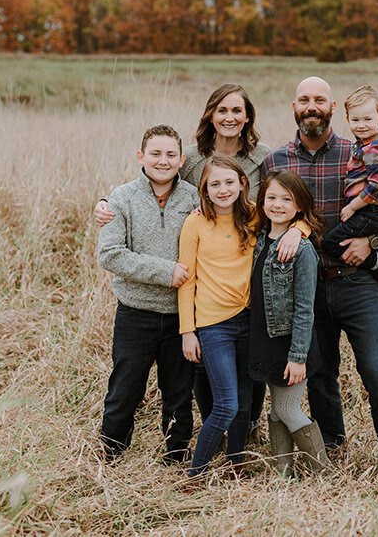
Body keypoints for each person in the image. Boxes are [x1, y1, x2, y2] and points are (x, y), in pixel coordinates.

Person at [94, 83, 271, 437]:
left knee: (195, 386)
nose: (164, 161)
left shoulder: (252, 163)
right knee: (139, 384)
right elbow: (114, 245)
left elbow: (273, 201)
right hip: (158, 304)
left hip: (212, 298)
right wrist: (105, 203)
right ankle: (114, 452)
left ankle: (210, 442)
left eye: (237, 110)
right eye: (222, 110)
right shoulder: (146, 185)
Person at [262, 76, 378, 461]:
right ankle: (333, 446)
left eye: (320, 100)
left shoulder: (356, 151)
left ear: (332, 108)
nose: (312, 106)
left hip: (355, 282)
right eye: (304, 99)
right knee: (321, 373)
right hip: (304, 289)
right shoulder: (276, 161)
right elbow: (257, 217)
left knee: (377, 372)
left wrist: (372, 243)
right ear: (294, 107)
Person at [177, 156, 306, 477]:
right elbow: (186, 278)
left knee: (245, 404)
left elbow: (294, 215)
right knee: (226, 405)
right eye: (215, 184)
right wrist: (187, 331)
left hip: (251, 323)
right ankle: (196, 474)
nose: (223, 189)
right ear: (204, 188)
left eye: (229, 182)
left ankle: (236, 463)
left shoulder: (252, 215)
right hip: (212, 326)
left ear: (242, 184)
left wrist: (298, 230)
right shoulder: (195, 222)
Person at [97, 125, 198, 463]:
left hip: (181, 316)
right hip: (135, 313)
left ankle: (176, 455)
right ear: (141, 156)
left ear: (181, 159)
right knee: (125, 388)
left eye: (171, 154)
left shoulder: (194, 199)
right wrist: (165, 272)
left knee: (179, 393)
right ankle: (112, 453)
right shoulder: (121, 197)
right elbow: (110, 254)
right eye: (155, 153)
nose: (163, 160)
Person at [249, 170, 329, 475]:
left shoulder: (302, 250)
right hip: (266, 337)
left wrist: (298, 358)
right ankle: (282, 473)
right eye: (271, 197)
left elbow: (305, 309)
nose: (278, 205)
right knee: (275, 407)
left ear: (299, 207)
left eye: (287, 199)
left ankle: (323, 472)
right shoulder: (259, 239)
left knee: (287, 407)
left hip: (292, 343)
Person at [321, 85, 378, 325]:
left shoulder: (375, 147)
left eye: (368, 119)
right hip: (369, 209)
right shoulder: (363, 144)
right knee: (335, 240)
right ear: (347, 119)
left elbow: (377, 186)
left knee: (329, 242)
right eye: (355, 119)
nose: (361, 124)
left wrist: (352, 207)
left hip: (372, 210)